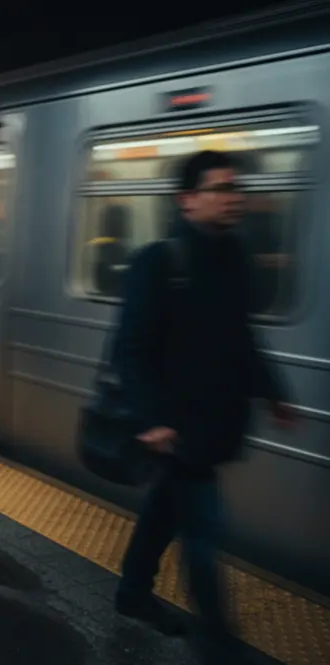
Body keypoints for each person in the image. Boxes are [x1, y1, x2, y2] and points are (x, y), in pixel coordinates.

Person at [111, 150, 295, 661]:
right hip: (177, 426)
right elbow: (129, 347)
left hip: (217, 422)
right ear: (187, 200)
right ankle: (217, 640)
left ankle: (131, 593)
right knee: (203, 531)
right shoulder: (159, 262)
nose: (233, 199)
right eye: (220, 189)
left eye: (235, 189)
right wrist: (151, 418)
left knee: (164, 512)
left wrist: (273, 392)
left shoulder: (234, 256)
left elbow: (243, 336)